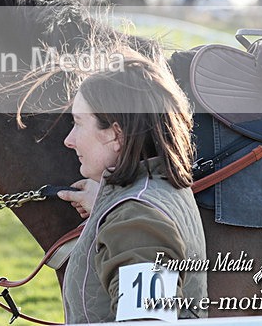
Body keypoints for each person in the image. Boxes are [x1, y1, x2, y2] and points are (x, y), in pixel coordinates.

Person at [56, 53, 207, 323]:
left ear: (116, 134)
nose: (69, 140)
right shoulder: (157, 189)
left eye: (78, 123)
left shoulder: (137, 219)